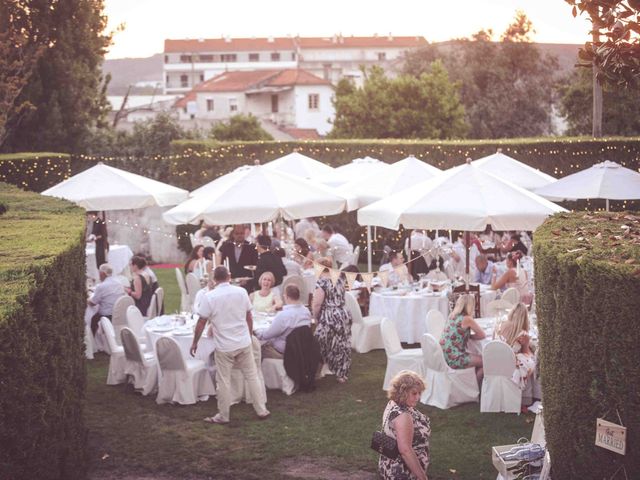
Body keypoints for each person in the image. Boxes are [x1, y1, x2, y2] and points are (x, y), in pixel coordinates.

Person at [191, 266, 270, 424]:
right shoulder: (241, 292)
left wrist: (195, 342)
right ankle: (261, 410)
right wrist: (248, 334)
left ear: (214, 279)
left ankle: (224, 415)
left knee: (224, 381)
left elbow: (201, 322)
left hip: (224, 346)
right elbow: (249, 316)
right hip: (242, 342)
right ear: (229, 276)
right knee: (252, 376)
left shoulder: (209, 296)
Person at [378, 371, 430, 480]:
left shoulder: (392, 404)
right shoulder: (403, 416)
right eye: (414, 393)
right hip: (403, 471)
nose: (418, 397)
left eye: (419, 393)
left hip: (389, 463)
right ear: (403, 392)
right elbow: (405, 450)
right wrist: (422, 477)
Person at [311, 258, 352, 383]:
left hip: (330, 315)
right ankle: (341, 374)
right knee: (342, 344)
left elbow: (317, 304)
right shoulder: (339, 279)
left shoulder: (321, 282)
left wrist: (314, 316)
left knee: (320, 342)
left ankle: (317, 372)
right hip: (343, 313)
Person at [255, 284, 312, 359]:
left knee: (257, 348)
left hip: (283, 352)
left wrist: (256, 330)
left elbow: (265, 335)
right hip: (301, 349)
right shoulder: (306, 311)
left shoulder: (283, 315)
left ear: (286, 297)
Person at [440, 294, 486, 384]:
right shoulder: (467, 319)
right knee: (486, 362)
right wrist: (470, 336)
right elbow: (482, 335)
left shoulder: (452, 315)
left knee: (478, 359)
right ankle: (476, 388)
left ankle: (473, 384)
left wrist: (467, 336)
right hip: (454, 358)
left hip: (444, 355)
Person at [496, 303, 536, 393]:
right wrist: (527, 345)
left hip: (496, 361)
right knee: (533, 360)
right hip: (510, 364)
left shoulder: (500, 326)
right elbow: (526, 353)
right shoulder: (522, 334)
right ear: (525, 318)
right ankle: (528, 396)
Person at [87, 263, 125, 335]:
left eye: (99, 273)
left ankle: (94, 341)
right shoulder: (119, 283)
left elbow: (92, 303)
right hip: (119, 314)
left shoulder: (102, 286)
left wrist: (86, 298)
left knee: (92, 319)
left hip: (107, 315)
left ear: (103, 273)